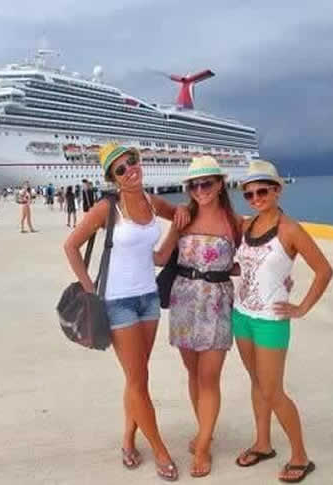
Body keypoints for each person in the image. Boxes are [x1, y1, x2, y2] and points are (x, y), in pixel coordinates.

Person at [64, 143, 189, 481]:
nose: (130, 169)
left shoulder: (151, 201)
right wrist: (90, 290)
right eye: (120, 169)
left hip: (148, 300)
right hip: (117, 302)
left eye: (132, 161)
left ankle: (128, 438)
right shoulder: (108, 208)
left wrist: (178, 222)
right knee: (138, 380)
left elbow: (160, 256)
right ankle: (160, 450)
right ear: (113, 178)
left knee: (138, 378)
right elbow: (71, 246)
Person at [232, 160, 333, 483]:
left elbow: (324, 271)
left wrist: (302, 308)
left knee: (273, 391)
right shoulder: (247, 225)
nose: (256, 198)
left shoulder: (290, 229)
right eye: (249, 194)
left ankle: (300, 456)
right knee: (257, 383)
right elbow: (245, 266)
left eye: (262, 191)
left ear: (277, 190)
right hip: (241, 315)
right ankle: (263, 444)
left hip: (270, 321)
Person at [154, 156, 242, 477]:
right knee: (193, 374)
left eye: (207, 183)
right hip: (184, 300)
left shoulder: (235, 223)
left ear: (220, 184)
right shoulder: (184, 217)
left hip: (217, 302)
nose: (200, 190)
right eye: (194, 185)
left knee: (210, 376)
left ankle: (203, 445)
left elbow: (250, 259)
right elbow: (161, 257)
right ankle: (205, 430)